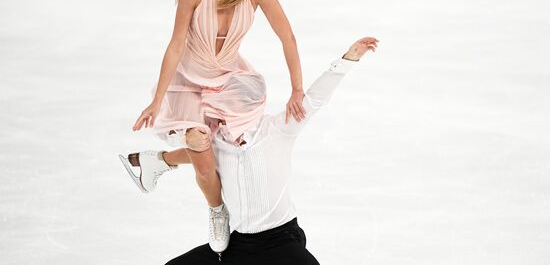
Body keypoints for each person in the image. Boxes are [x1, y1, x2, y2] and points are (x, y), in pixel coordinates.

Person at [120, 0, 306, 255]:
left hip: (229, 81)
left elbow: (287, 37)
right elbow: (176, 45)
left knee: (233, 149)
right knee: (202, 152)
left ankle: (159, 161)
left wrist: (297, 89)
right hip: (188, 84)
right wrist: (156, 100)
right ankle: (217, 209)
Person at [124, 37, 379, 264]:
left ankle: (155, 162)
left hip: (280, 241)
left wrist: (348, 59)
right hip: (238, 245)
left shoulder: (278, 130)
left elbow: (315, 100)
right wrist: (167, 152)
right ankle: (153, 162)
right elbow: (189, 149)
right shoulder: (214, 139)